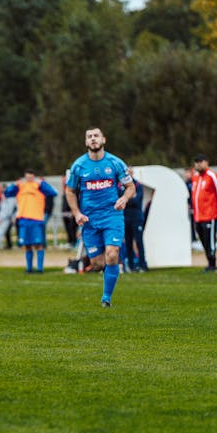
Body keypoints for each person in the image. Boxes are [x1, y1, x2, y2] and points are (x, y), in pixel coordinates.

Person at [64, 127, 136, 308]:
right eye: (89, 137)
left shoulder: (115, 163)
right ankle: (106, 273)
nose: (93, 139)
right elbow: (70, 191)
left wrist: (124, 198)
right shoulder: (79, 166)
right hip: (90, 219)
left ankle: (106, 298)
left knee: (112, 254)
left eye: (96, 136)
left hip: (112, 215)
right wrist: (77, 213)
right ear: (86, 142)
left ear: (103, 140)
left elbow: (130, 186)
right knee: (97, 263)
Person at [4, 169, 57, 273]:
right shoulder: (20, 186)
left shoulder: (39, 186)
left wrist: (42, 183)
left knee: (38, 244)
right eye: (27, 177)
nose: (29, 179)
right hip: (23, 220)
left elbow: (53, 192)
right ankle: (29, 268)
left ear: (33, 177)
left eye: (31, 177)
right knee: (27, 245)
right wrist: (14, 185)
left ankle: (40, 269)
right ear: (25, 177)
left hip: (37, 219)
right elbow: (7, 193)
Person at [190, 154, 217, 272]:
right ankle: (209, 262)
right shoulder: (195, 177)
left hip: (210, 215)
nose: (198, 164)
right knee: (203, 241)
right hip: (198, 216)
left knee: (210, 240)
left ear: (206, 162)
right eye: (196, 162)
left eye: (200, 161)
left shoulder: (212, 176)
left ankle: (212, 263)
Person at [123, 170, 148, 272]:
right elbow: (119, 199)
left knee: (139, 242)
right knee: (128, 242)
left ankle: (142, 265)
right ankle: (131, 265)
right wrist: (128, 198)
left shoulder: (138, 185)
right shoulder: (121, 186)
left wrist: (125, 199)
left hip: (136, 218)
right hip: (125, 218)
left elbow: (136, 201)